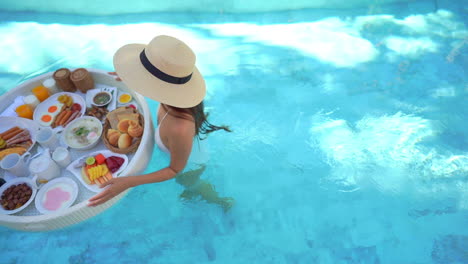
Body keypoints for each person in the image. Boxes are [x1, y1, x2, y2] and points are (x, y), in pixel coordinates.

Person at [88, 35, 234, 211]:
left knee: (190, 184)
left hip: (189, 166)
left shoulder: (180, 127)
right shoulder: (177, 98)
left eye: (142, 77)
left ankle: (220, 201)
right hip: (187, 146)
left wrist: (129, 182)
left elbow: (174, 170)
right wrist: (130, 76)